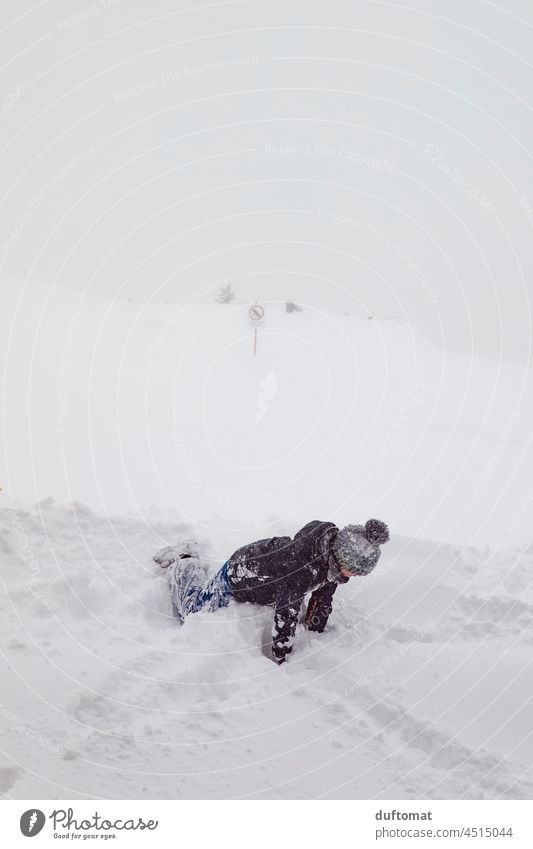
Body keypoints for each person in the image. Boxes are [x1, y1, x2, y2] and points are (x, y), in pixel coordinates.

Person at [154, 519, 390, 664]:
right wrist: (281, 658)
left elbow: (324, 594)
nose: (357, 575)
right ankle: (183, 561)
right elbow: (285, 615)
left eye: (362, 572)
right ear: (343, 558)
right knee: (194, 609)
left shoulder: (330, 556)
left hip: (265, 566)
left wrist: (315, 626)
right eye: (356, 570)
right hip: (243, 570)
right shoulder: (302, 569)